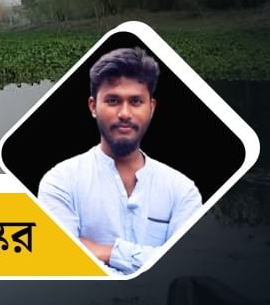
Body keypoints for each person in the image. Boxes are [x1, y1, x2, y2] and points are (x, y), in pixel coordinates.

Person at [37, 47, 202, 275]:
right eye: (113, 101)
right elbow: (62, 264)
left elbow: (187, 266)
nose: (124, 113)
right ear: (93, 107)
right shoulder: (60, 181)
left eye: (135, 101)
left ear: (151, 108)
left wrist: (108, 252)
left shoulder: (182, 190)